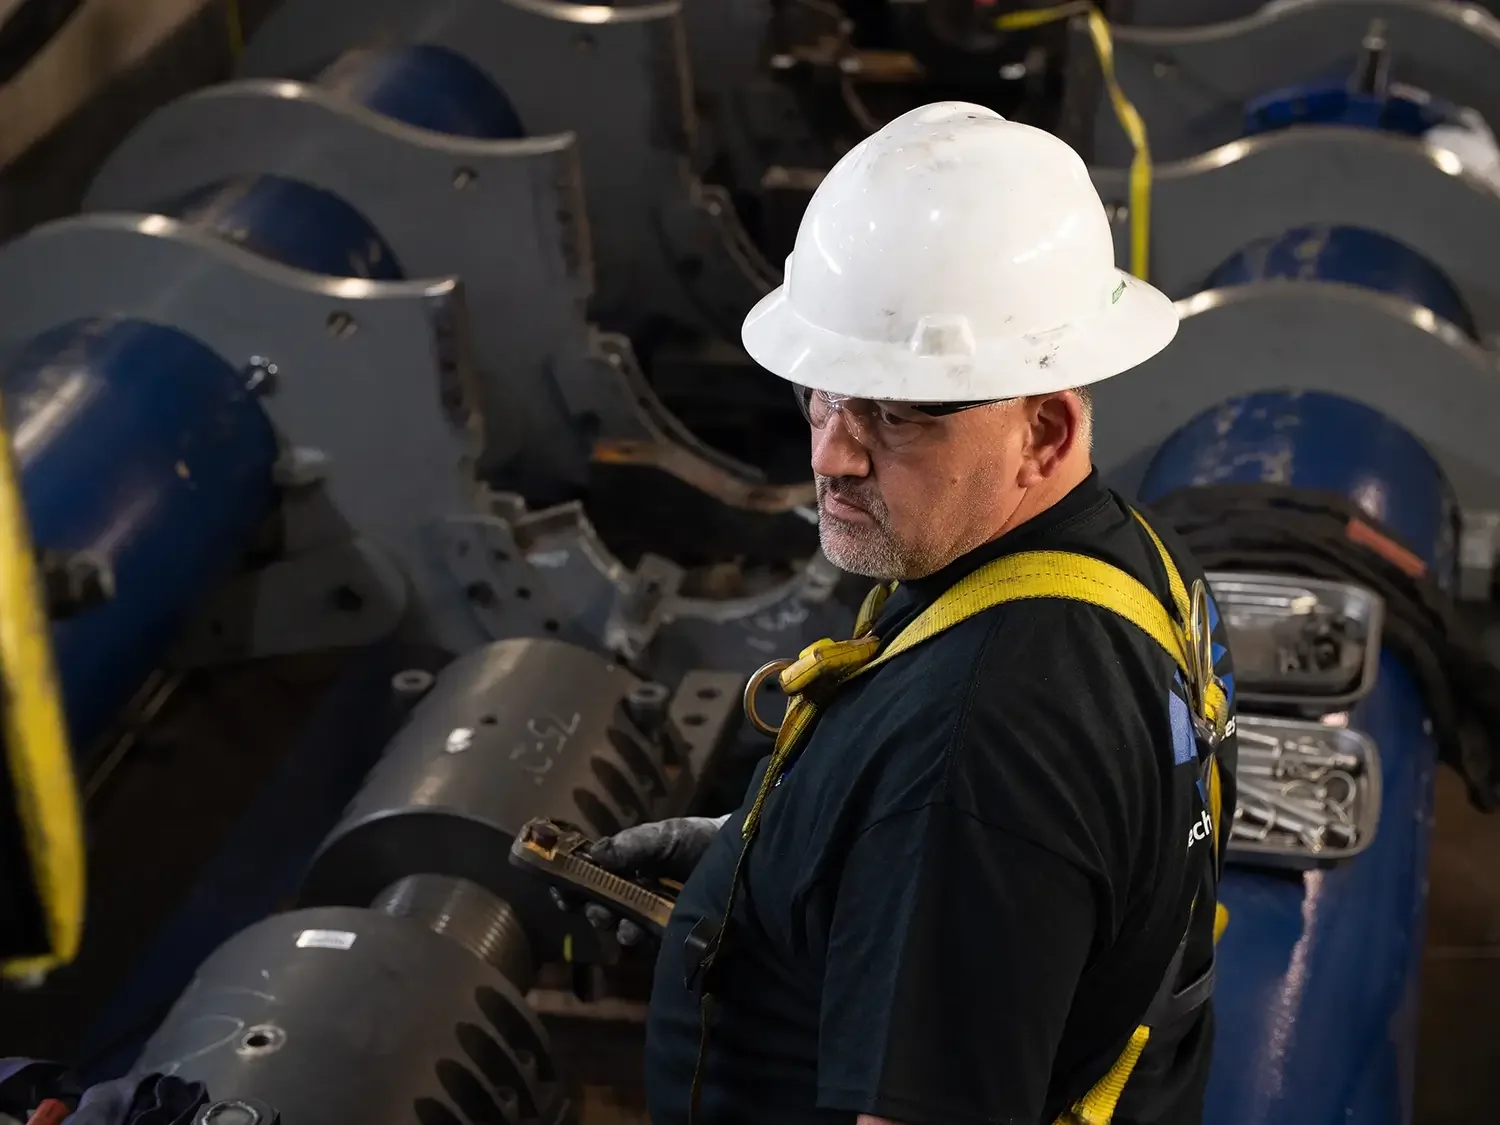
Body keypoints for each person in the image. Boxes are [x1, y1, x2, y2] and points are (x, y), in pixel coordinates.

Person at [562, 102, 1238, 1125]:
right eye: (822, 393)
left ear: (1043, 429)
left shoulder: (982, 746)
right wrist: (766, 860)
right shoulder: (1130, 559)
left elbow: (983, 831)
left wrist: (917, 847)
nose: (832, 453)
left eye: (900, 411)